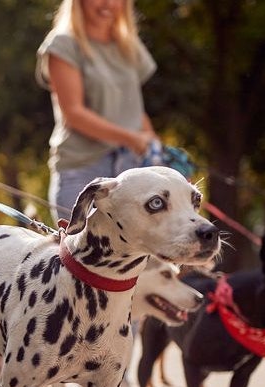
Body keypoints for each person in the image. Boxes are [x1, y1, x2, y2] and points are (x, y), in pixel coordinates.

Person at [37, 0, 157, 222]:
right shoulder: (63, 45)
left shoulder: (128, 45)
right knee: (83, 255)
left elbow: (133, 110)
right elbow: (74, 114)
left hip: (131, 168)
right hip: (82, 170)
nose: (108, 4)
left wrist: (159, 154)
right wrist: (131, 138)